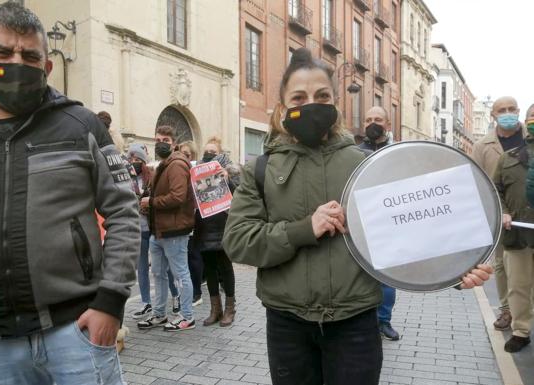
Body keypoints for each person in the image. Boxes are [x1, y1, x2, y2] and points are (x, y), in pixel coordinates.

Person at [222, 48, 492, 385]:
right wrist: (304, 229)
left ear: (335, 103)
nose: (311, 104)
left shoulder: (368, 167)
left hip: (356, 324)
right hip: (288, 324)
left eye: (322, 96)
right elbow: (237, 241)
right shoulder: (260, 170)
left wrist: (458, 269)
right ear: (283, 107)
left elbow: (415, 230)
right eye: (299, 97)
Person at [0, 3, 139, 385]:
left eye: (29, 55)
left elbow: (124, 212)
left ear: (46, 66)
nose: (15, 63)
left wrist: (111, 302)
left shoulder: (80, 125)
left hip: (77, 332)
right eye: (2, 53)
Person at [472, 96, 525, 331]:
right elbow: (476, 181)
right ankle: (506, 310)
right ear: (493, 115)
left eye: (511, 109)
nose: (507, 113)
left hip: (528, 213)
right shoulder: (482, 146)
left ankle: (525, 311)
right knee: (502, 264)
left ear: (519, 111)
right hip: (498, 215)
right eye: (501, 110)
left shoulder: (529, 140)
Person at [137, 126, 196, 331]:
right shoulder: (165, 164)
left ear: (174, 143)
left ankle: (187, 316)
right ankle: (159, 314)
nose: (161, 142)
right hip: (159, 231)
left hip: (174, 230)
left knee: (180, 273)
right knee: (159, 274)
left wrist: (151, 202)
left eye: (166, 140)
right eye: (158, 139)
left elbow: (178, 197)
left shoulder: (177, 164)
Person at [494, 103, 534, 353]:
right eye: (533, 115)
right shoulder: (508, 157)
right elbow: (495, 189)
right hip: (518, 234)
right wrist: (504, 211)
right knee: (518, 286)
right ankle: (521, 331)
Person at [359, 106, 400, 341]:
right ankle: (365, 321)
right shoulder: (353, 151)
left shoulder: (397, 152)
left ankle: (384, 321)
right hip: (361, 222)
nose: (372, 123)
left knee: (386, 278)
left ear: (388, 124)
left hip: (389, 223)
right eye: (368, 119)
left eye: (378, 119)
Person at [128, 143, 181, 319]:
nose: (134, 162)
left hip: (152, 228)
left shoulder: (152, 176)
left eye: (137, 159)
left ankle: (175, 297)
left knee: (163, 268)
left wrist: (147, 204)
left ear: (143, 160)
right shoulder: (128, 179)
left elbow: (160, 199)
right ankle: (146, 303)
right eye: (131, 158)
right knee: (142, 268)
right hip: (136, 229)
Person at [195, 137, 238, 327]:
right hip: (204, 226)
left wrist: (227, 180)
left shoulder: (230, 172)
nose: (208, 155)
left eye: (213, 152)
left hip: (222, 226)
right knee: (209, 269)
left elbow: (240, 196)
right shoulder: (196, 173)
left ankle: (230, 308)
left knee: (225, 267)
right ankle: (215, 309)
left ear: (220, 154)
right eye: (207, 151)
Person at [177, 140, 204, 306]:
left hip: (196, 218)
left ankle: (197, 292)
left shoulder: (197, 171)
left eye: (187, 155)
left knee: (194, 255)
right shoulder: (178, 169)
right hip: (182, 219)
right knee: (185, 257)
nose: (185, 158)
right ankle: (188, 291)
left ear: (193, 156)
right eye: (182, 154)